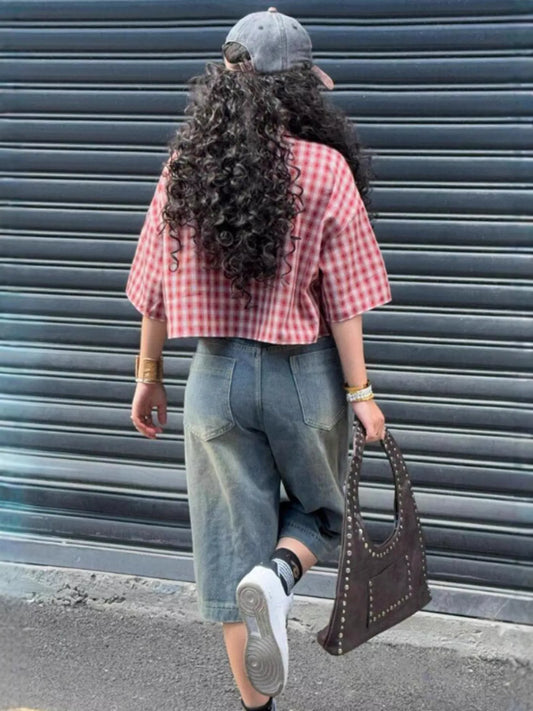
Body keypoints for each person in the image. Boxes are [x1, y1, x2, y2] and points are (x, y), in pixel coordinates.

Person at [125, 8, 391, 710]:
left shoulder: (186, 168)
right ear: (303, 88)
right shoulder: (326, 168)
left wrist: (148, 377)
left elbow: (153, 289)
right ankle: (279, 576)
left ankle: (258, 689)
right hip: (303, 374)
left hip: (214, 379)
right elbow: (346, 300)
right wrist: (361, 391)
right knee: (323, 514)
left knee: (230, 553)